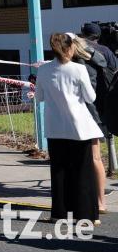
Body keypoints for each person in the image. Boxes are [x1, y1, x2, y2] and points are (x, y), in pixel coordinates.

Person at [35, 33, 102, 224]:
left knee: (59, 172)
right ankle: (87, 215)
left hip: (55, 126)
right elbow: (91, 98)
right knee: (83, 172)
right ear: (70, 48)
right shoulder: (79, 69)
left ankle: (59, 213)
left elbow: (39, 97)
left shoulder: (43, 70)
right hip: (79, 127)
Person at [72, 35, 109, 214]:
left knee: (84, 158)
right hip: (98, 115)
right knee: (96, 159)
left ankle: (90, 200)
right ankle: (100, 201)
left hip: (84, 115)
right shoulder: (96, 58)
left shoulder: (76, 66)